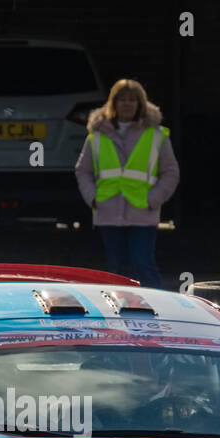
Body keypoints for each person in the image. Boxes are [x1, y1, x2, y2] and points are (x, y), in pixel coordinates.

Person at [75, 78, 179, 289]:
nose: (127, 104)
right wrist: (93, 198)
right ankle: (118, 314)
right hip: (108, 212)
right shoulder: (96, 136)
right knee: (116, 269)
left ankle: (158, 311)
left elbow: (170, 172)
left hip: (142, 212)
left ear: (140, 104)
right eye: (122, 99)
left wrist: (154, 199)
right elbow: (82, 170)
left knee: (144, 265)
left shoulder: (156, 134)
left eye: (132, 100)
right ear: (113, 103)